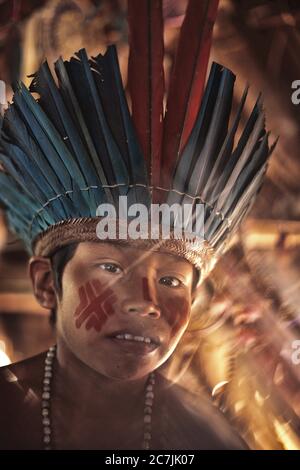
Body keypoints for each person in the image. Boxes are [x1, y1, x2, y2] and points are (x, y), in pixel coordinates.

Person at [0, 0, 273, 450]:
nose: (146, 304)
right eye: (110, 268)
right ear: (48, 282)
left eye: (170, 279)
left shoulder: (210, 441)